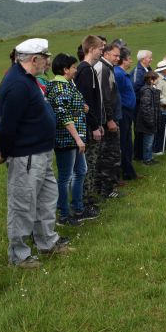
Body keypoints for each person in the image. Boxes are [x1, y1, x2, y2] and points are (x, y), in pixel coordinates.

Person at [0, 38, 72, 268]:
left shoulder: (28, 79)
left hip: (41, 152)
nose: (48, 62)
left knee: (47, 200)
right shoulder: (16, 84)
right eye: (46, 58)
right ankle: (19, 255)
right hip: (26, 155)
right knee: (23, 205)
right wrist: (4, 151)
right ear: (34, 59)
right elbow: (6, 126)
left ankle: (47, 242)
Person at [46, 53, 96, 226]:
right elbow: (63, 115)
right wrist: (77, 139)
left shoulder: (67, 85)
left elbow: (70, 106)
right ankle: (64, 214)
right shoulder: (59, 87)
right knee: (65, 177)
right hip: (66, 139)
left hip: (75, 138)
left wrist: (82, 106)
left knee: (81, 171)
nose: (76, 70)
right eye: (74, 67)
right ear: (65, 69)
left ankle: (78, 208)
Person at [73, 35, 105, 208]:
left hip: (91, 123)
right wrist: (94, 126)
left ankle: (88, 196)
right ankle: (84, 200)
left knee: (91, 163)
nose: (101, 52)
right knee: (88, 164)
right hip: (87, 126)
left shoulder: (88, 69)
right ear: (91, 49)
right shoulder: (85, 70)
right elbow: (86, 103)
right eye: (100, 49)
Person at [94, 41, 123, 199]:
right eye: (115, 55)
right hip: (107, 120)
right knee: (110, 154)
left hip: (108, 118)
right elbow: (105, 97)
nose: (118, 58)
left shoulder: (107, 67)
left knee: (107, 154)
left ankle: (101, 187)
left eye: (119, 56)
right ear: (106, 54)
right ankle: (107, 189)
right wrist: (110, 119)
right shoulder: (104, 69)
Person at [114, 47, 139, 181]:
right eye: (129, 59)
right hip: (123, 112)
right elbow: (115, 94)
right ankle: (125, 171)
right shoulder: (118, 74)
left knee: (128, 141)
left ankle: (129, 170)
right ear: (123, 60)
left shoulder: (123, 73)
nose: (131, 61)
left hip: (128, 111)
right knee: (123, 142)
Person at [131, 49, 153, 160]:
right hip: (139, 106)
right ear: (143, 59)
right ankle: (138, 155)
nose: (151, 59)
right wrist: (145, 99)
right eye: (150, 57)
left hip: (147, 105)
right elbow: (135, 90)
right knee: (139, 130)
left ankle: (145, 153)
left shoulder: (148, 69)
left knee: (146, 129)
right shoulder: (138, 72)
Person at [136, 72, 161, 165]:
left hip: (150, 119)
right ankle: (147, 159)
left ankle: (149, 157)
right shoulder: (147, 91)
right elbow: (145, 107)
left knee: (150, 140)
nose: (158, 80)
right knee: (148, 141)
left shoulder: (151, 89)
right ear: (151, 80)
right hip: (147, 121)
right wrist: (150, 121)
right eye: (156, 79)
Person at [153, 59, 166, 155]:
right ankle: (158, 149)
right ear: (163, 70)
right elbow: (158, 94)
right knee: (161, 129)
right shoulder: (158, 79)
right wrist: (165, 103)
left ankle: (165, 147)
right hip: (162, 108)